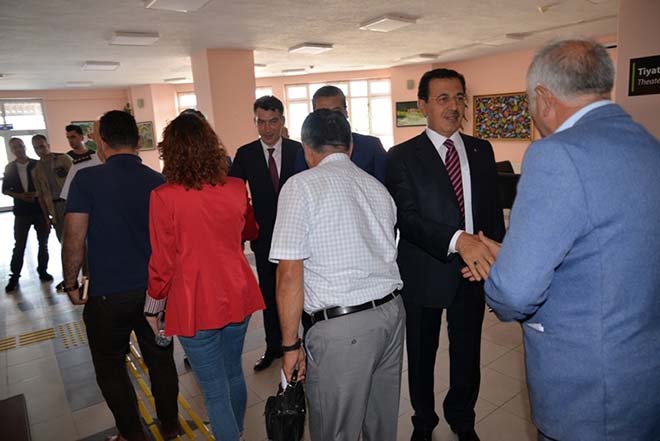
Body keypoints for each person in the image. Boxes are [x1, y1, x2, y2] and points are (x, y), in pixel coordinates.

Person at [475, 39, 660, 441]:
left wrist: (502, 272)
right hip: (642, 378)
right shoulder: (648, 145)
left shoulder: (555, 155)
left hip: (589, 394)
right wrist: (518, 255)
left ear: (544, 98)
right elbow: (610, 253)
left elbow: (515, 293)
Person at [270, 109, 405, 441]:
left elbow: (289, 275)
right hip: (390, 316)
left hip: (343, 331)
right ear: (350, 147)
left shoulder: (300, 187)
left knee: (336, 430)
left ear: (307, 149)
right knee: (381, 427)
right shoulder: (376, 188)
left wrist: (290, 347)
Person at [385, 68, 504, 441]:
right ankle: (424, 422)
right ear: (422, 105)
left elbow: (491, 213)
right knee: (421, 356)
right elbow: (407, 218)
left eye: (459, 97)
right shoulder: (401, 156)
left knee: (467, 354)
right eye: (443, 98)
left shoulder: (481, 150)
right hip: (424, 271)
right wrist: (459, 241)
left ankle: (462, 419)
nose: (453, 106)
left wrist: (491, 259)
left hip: (472, 271)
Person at [61, 110, 180, 441]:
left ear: (101, 142)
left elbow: (74, 238)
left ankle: (131, 434)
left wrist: (71, 283)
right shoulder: (158, 182)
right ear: (138, 140)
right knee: (161, 360)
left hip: (106, 294)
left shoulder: (86, 180)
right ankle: (170, 425)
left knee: (110, 365)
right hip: (155, 293)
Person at [146, 113, 264, 441]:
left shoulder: (163, 196)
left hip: (193, 300)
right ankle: (237, 431)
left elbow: (162, 261)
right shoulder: (236, 187)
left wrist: (153, 307)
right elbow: (249, 230)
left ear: (170, 152)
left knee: (213, 390)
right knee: (233, 373)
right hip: (237, 291)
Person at [229, 95, 302, 371]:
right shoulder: (245, 154)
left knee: (303, 289)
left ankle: (304, 345)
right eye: (261, 122)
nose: (267, 128)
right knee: (270, 294)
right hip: (264, 238)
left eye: (272, 122)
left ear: (282, 121)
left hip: (298, 233)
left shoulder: (298, 150)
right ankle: (274, 346)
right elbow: (234, 193)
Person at [293, 85, 387, 183]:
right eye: (322, 112)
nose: (330, 118)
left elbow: (384, 185)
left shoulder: (371, 146)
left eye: (336, 112)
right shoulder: (306, 151)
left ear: (346, 112)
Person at [3, 138, 52, 292]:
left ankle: (43, 270)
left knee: (43, 243)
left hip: (39, 210)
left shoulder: (37, 164)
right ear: (12, 150)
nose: (18, 149)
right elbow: (5, 189)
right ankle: (14, 276)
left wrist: (37, 194)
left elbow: (46, 186)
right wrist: (20, 196)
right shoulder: (10, 167)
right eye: (14, 147)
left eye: (20, 146)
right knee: (19, 244)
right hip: (21, 212)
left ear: (24, 146)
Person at [31, 134, 72, 241]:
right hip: (54, 208)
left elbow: (77, 179)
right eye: (36, 148)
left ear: (48, 145)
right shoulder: (36, 170)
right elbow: (40, 196)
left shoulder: (63, 159)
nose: (39, 150)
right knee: (62, 238)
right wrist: (47, 217)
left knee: (79, 236)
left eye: (42, 146)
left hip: (70, 203)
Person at [61, 124, 103, 200]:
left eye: (73, 137)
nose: (70, 141)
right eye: (68, 138)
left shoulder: (93, 155)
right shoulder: (66, 158)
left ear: (81, 137)